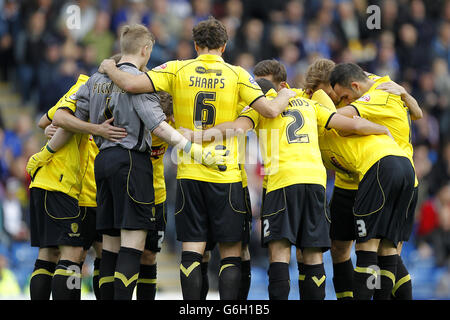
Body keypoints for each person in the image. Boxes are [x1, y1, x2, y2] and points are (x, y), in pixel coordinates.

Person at [98, 17, 297, 300]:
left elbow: (129, 84)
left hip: (189, 172)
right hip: (226, 173)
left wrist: (108, 67)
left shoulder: (177, 69)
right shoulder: (238, 74)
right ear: (224, 46)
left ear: (195, 45)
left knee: (192, 249)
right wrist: (285, 94)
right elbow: (270, 111)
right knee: (230, 252)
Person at [27, 24, 227, 300]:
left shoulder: (94, 80)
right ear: (146, 50)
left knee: (108, 246)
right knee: (132, 245)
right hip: (132, 164)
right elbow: (157, 124)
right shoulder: (140, 84)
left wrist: (47, 150)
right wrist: (196, 151)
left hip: (102, 164)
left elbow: (65, 117)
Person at [188, 73, 393, 300]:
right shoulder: (309, 104)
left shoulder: (261, 106)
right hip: (315, 183)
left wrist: (196, 136)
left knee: (280, 255)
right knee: (313, 256)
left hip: (283, 182)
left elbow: (237, 128)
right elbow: (347, 123)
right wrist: (381, 129)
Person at [304, 58, 421, 300]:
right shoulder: (375, 85)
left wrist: (313, 108)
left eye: (337, 95)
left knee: (376, 250)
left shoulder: (377, 94)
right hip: (355, 180)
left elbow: (339, 117)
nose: (337, 100)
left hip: (382, 171)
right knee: (349, 249)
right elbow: (417, 113)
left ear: (352, 86)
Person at [26, 74, 127, 301]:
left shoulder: (119, 98)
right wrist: (53, 136)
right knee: (70, 254)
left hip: (94, 190)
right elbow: (52, 119)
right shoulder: (86, 88)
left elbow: (48, 121)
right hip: (71, 188)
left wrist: (51, 129)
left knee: (100, 253)